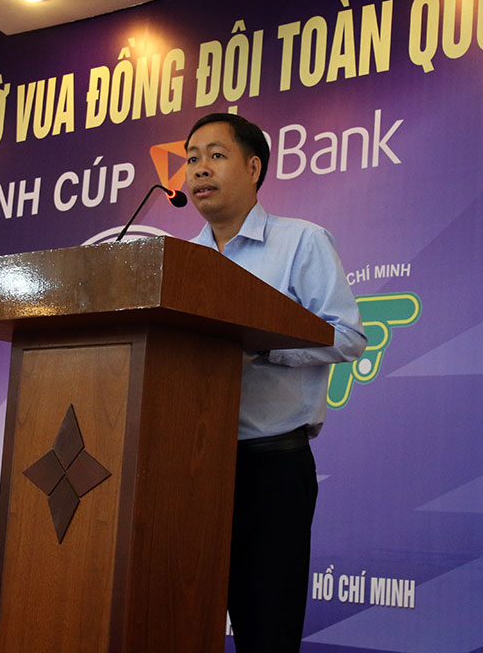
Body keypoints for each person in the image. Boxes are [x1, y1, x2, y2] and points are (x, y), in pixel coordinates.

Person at [183, 112, 367, 652]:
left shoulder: (300, 242)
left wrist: (263, 346)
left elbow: (348, 337)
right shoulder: (181, 261)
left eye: (216, 155)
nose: (200, 169)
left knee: (266, 632)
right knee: (177, 617)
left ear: (253, 167)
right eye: (192, 158)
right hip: (187, 470)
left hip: (270, 468)